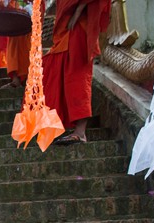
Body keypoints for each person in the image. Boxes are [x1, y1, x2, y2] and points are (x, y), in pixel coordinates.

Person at [43, 0, 112, 144]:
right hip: (67, 26)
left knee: (77, 77)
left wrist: (79, 10)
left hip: (79, 26)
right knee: (56, 72)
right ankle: (57, 124)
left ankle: (80, 132)